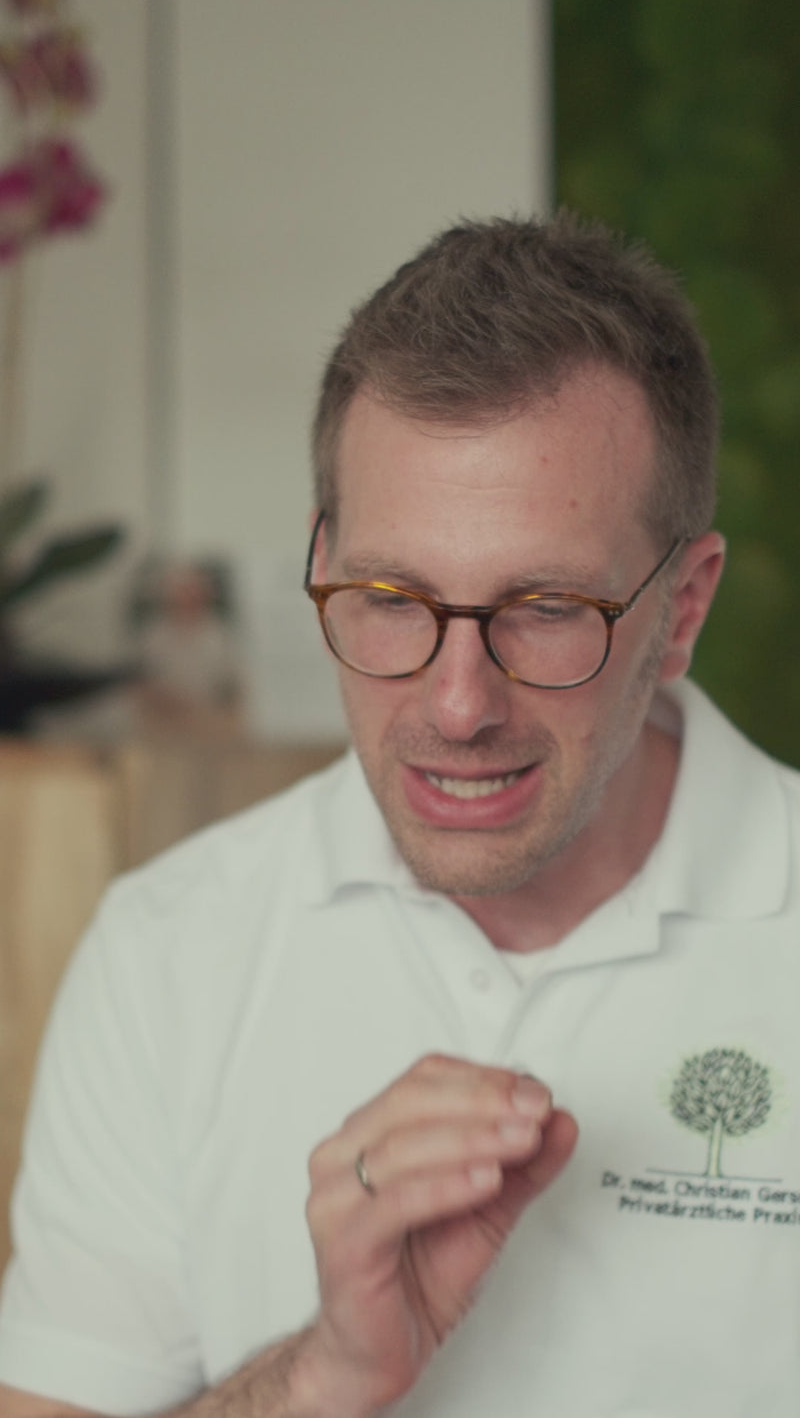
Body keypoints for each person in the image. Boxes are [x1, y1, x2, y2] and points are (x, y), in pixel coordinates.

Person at [0, 212, 798, 1418]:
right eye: (388, 596)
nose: (457, 705)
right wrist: (322, 1376)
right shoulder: (167, 949)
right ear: (322, 564)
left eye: (544, 607)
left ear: (680, 608)